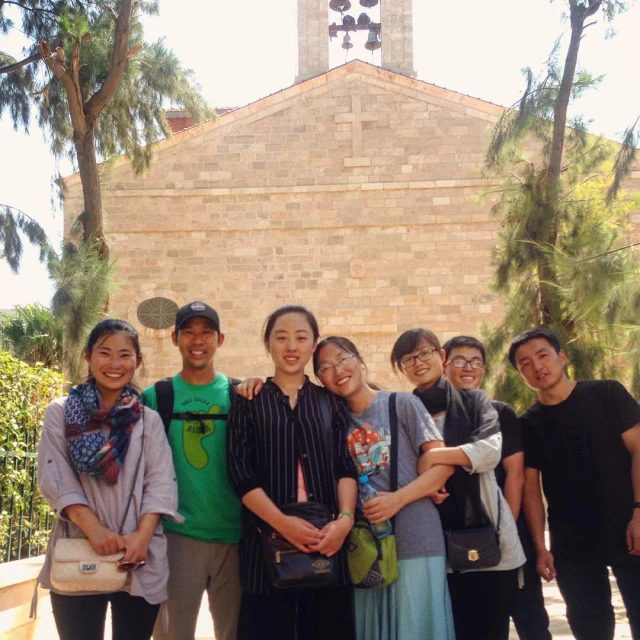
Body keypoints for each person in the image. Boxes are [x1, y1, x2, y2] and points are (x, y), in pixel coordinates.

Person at [37, 319, 180, 640]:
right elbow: (55, 475)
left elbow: (160, 481)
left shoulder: (149, 420)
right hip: (79, 546)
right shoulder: (61, 412)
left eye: (125, 355)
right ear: (88, 356)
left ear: (138, 361)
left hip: (138, 557)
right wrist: (95, 530)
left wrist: (142, 537)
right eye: (105, 353)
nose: (114, 364)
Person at [226, 305, 357, 640]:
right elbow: (240, 473)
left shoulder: (330, 401)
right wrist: (282, 524)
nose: (291, 346)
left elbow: (345, 467)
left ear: (313, 345)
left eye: (301, 337)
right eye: (281, 337)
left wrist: (344, 520)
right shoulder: (248, 399)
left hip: (327, 543)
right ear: (268, 344)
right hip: (265, 549)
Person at [312, 336, 456, 640]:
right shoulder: (332, 422)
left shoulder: (401, 403)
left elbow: (443, 463)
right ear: (320, 380)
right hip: (366, 550)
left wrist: (398, 499)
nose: (336, 370)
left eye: (342, 359)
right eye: (325, 367)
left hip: (416, 539)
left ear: (360, 360)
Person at [390, 328, 525, 640]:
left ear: (441, 356)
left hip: (490, 543)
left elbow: (490, 452)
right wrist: (432, 472)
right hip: (434, 547)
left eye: (424, 353)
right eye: (408, 359)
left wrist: (433, 460)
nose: (418, 362)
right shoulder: (401, 411)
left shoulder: (475, 401)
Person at [509, 327, 640, 640]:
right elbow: (530, 488)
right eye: (525, 363)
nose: (537, 366)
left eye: (543, 355)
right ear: (520, 374)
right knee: (589, 628)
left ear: (562, 356)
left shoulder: (607, 393)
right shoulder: (528, 423)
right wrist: (541, 548)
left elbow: (638, 449)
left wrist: (639, 511)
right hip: (572, 544)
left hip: (629, 527)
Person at [141, 301, 241, 640]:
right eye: (189, 332)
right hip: (176, 537)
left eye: (206, 333)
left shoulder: (241, 395)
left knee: (236, 632)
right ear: (175, 338)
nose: (197, 341)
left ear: (220, 339)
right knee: (173, 634)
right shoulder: (156, 397)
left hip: (236, 537)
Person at [443, 335, 552, 640]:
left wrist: (501, 532)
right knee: (475, 624)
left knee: (530, 620)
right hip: (458, 538)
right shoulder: (434, 416)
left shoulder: (500, 412)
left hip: (506, 534)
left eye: (476, 361)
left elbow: (515, 475)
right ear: (444, 365)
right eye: (459, 360)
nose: (468, 367)